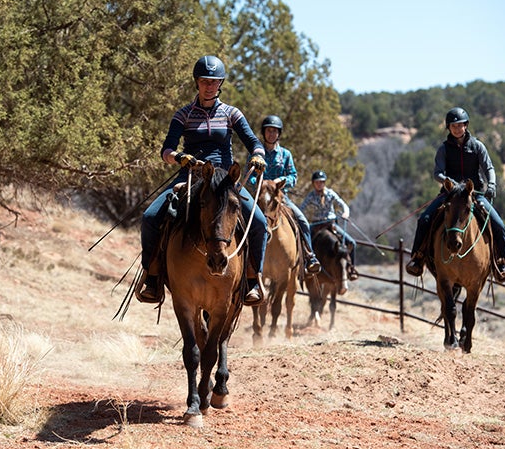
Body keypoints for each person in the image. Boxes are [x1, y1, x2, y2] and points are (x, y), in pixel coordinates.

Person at [138, 55, 269, 306]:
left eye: (214, 81)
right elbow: (166, 150)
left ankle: (252, 279)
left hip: (224, 181)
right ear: (196, 82)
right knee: (151, 217)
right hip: (190, 177)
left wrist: (258, 156)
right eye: (204, 81)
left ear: (220, 84)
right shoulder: (183, 114)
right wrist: (180, 158)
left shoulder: (232, 113)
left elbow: (253, 142)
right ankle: (152, 278)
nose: (209, 86)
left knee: (260, 222)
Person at [405, 107, 505, 281]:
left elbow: (489, 168)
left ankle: (500, 263)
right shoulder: (444, 149)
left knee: (498, 224)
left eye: (460, 125)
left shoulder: (477, 146)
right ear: (448, 128)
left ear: (466, 125)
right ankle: (418, 258)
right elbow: (437, 173)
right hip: (450, 195)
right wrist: (449, 182)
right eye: (453, 126)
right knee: (424, 219)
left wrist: (492, 184)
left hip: (475, 194)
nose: (457, 128)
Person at [246, 115, 321, 275]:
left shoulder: (285, 154)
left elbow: (293, 175)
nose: (271, 134)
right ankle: (242, 259)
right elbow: (249, 174)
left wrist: (281, 180)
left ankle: (310, 256)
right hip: (260, 197)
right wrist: (260, 182)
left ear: (279, 134)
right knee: (242, 219)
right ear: (264, 132)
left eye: (274, 131)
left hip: (280, 197)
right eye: (268, 131)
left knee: (302, 221)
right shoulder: (256, 153)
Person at [300, 170, 359, 280]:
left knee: (352, 243)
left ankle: (351, 269)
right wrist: (301, 219)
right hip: (316, 226)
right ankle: (304, 267)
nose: (320, 184)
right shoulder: (311, 196)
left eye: (322, 182)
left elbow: (343, 204)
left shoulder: (330, 193)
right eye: (317, 182)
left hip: (331, 224)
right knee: (305, 243)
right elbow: (302, 208)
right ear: (313, 183)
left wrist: (346, 213)